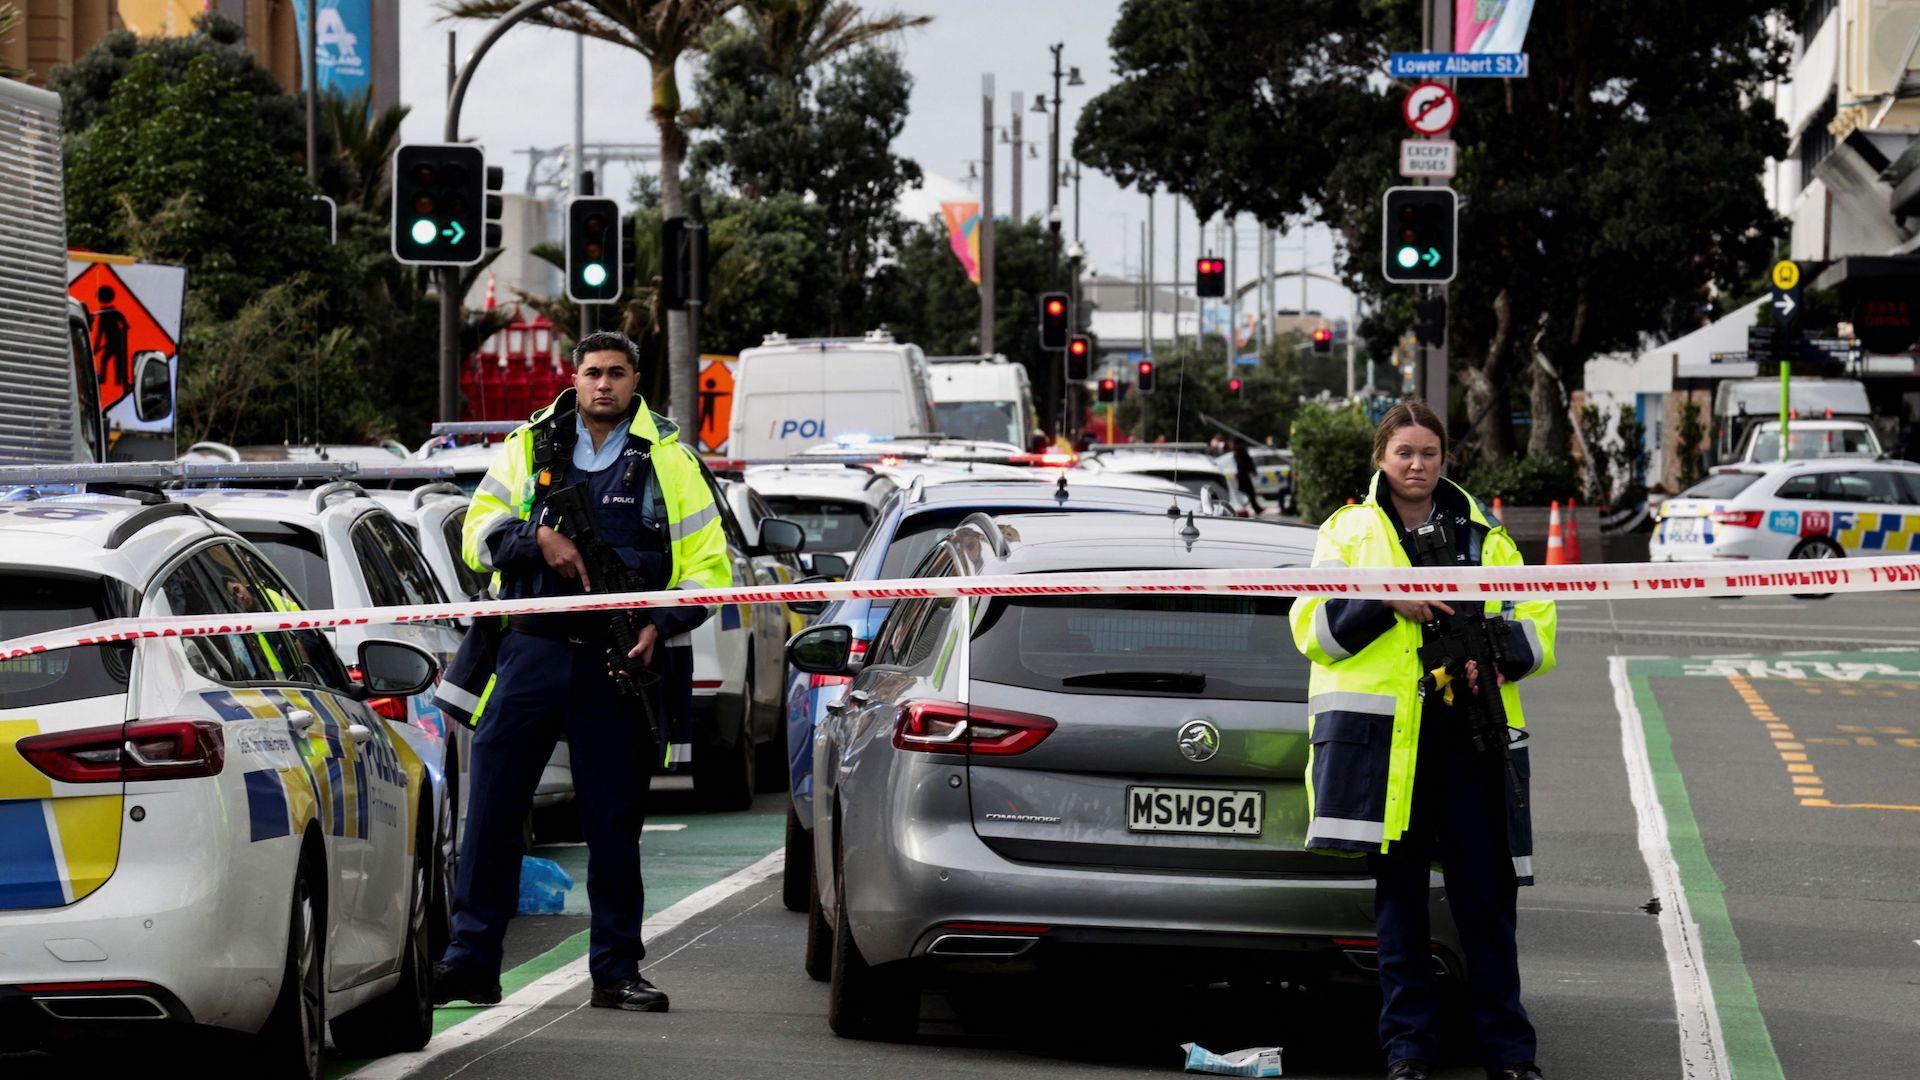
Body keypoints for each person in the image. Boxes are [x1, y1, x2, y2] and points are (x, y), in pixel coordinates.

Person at [432, 331, 732, 1013]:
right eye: (593, 373)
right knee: (491, 816)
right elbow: (477, 535)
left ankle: (616, 971)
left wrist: (662, 623)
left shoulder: (670, 461)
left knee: (612, 825)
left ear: (635, 381)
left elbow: (709, 573)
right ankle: (470, 964)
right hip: (532, 650)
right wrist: (535, 537)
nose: (604, 386)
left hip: (617, 660)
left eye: (617, 374)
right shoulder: (529, 446)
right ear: (575, 377)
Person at [1287, 401, 1556, 1080]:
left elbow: (1538, 623)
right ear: (1382, 456)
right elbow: (1312, 631)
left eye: (1428, 453)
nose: (1416, 465)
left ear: (1444, 459)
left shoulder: (1485, 534)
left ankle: (1509, 1056)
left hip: (1472, 739)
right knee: (1400, 910)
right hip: (1389, 752)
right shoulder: (1348, 531)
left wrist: (1496, 652)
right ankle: (1408, 1052)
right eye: (1404, 452)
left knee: (1486, 907)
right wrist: (1388, 601)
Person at [1231, 437, 1264, 515]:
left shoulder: (1239, 452)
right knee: (1248, 493)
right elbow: (1247, 463)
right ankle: (1254, 508)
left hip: (1242, 475)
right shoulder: (1241, 452)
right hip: (1243, 476)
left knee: (1247, 493)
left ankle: (1256, 508)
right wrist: (1252, 470)